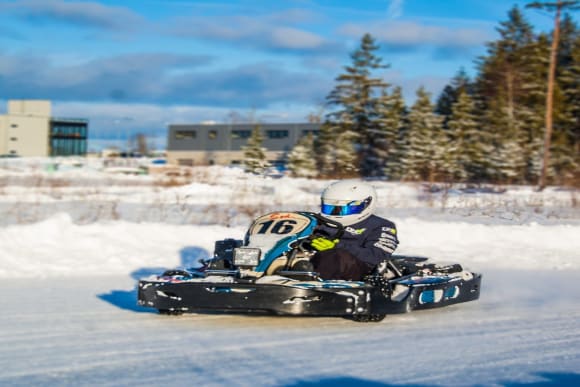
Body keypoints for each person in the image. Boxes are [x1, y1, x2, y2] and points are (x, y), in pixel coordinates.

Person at [308, 180, 399, 281]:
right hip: (314, 262)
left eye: (344, 209)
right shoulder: (317, 221)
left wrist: (336, 247)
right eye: (330, 208)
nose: (336, 213)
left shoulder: (381, 226)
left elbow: (376, 256)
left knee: (335, 256)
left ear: (366, 204)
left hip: (357, 270)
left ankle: (313, 286)